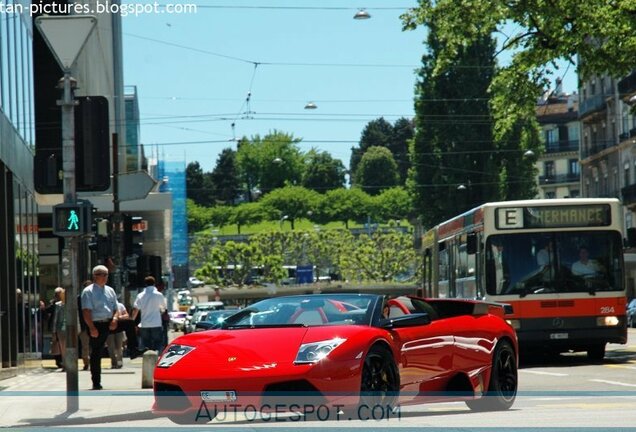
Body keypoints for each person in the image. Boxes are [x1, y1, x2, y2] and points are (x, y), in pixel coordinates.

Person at [81, 265, 119, 390]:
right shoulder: (88, 291)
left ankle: (134, 348)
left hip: (109, 321)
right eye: (102, 274)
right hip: (97, 324)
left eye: (106, 275)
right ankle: (96, 381)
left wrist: (114, 319)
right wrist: (91, 328)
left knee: (129, 324)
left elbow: (116, 309)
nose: (105, 277)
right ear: (95, 276)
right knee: (97, 353)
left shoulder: (110, 290)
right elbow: (86, 312)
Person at [131, 275, 167, 354]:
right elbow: (164, 308)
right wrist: (161, 312)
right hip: (156, 323)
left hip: (145, 324)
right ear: (154, 283)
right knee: (158, 342)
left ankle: (148, 358)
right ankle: (156, 357)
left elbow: (136, 309)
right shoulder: (159, 295)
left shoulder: (140, 295)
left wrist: (132, 321)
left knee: (146, 343)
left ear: (145, 284)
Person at [106, 300, 129, 369]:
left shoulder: (120, 305)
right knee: (111, 347)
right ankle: (113, 363)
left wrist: (120, 317)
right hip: (109, 329)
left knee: (119, 347)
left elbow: (127, 315)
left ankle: (119, 362)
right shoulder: (106, 306)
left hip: (119, 329)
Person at [78, 280, 92, 371]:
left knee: (95, 346)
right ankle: (86, 363)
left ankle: (93, 362)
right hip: (84, 327)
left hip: (96, 325)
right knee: (85, 346)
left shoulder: (96, 297)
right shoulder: (79, 298)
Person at [51, 287, 66, 371]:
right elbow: (55, 319)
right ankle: (65, 365)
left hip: (71, 329)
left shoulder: (72, 304)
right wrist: (54, 332)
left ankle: (70, 364)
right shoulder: (58, 305)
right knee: (63, 348)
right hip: (61, 329)